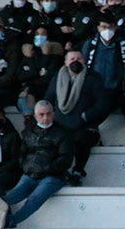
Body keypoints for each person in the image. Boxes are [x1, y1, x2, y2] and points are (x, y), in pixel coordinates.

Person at [2, 100, 74, 227]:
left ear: (53, 114)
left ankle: (10, 221)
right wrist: (26, 167)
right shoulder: (28, 132)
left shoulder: (63, 133)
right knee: (13, 195)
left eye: (48, 114)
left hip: (53, 177)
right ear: (35, 116)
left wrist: (46, 169)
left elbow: (65, 159)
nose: (45, 118)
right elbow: (22, 153)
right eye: (41, 114)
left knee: (34, 199)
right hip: (30, 174)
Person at [43, 51, 108, 186]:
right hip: (60, 125)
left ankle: (78, 172)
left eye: (79, 58)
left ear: (84, 61)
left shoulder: (93, 78)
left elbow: (102, 103)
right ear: (66, 62)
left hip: (84, 126)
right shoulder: (57, 78)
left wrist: (86, 116)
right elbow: (48, 99)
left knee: (81, 141)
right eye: (72, 59)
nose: (75, 61)